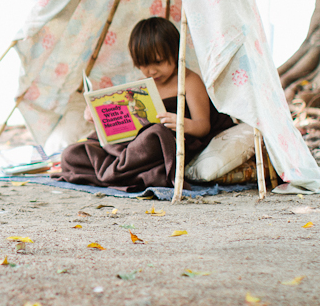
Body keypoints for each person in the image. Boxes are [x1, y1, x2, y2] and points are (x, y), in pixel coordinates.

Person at [54, 17, 234, 192]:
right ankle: (122, 172)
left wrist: (181, 123)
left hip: (163, 144)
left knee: (156, 134)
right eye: (143, 65)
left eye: (158, 62)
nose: (151, 71)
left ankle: (114, 173)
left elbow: (203, 125)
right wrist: (99, 117)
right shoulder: (143, 84)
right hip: (131, 146)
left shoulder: (188, 80)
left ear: (176, 52)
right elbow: (126, 123)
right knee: (71, 154)